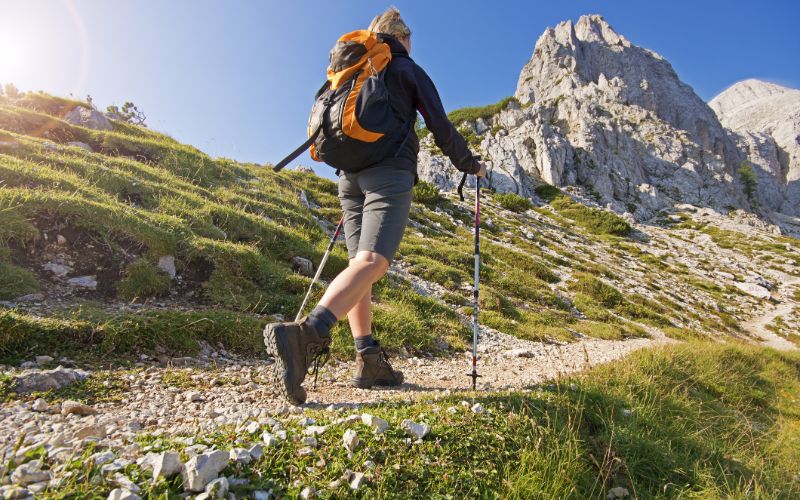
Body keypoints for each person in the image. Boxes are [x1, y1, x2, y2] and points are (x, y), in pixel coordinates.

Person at [264, 6, 487, 405]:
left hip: (349, 178)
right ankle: (306, 334)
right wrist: (470, 165)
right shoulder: (405, 68)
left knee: (359, 268)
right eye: (410, 39)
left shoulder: (353, 72)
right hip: (388, 173)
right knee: (374, 262)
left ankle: (367, 359)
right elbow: (440, 125)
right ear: (402, 38)